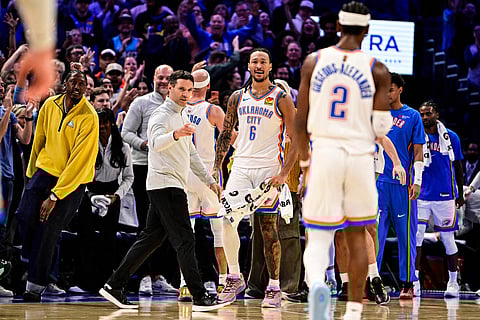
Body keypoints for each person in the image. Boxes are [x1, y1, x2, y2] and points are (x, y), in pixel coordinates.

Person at [99, 70, 228, 312]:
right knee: (185, 239)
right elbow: (156, 144)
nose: (186, 94)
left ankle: (114, 285)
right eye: (181, 89)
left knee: (150, 239)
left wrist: (209, 180)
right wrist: (176, 135)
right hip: (165, 184)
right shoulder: (161, 115)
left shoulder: (183, 115)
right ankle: (199, 296)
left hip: (169, 184)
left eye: (189, 90)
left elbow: (191, 154)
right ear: (170, 88)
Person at [294, 2, 393, 319]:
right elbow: (381, 127)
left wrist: (306, 163)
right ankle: (353, 309)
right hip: (360, 157)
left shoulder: (313, 61)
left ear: (336, 26)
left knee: (319, 235)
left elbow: (300, 120)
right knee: (357, 234)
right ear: (367, 30)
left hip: (324, 152)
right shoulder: (378, 68)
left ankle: (317, 288)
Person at [212, 47, 297, 308]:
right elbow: (226, 134)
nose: (259, 65)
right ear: (248, 67)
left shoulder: (281, 98)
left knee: (268, 229)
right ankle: (235, 276)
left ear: (270, 67)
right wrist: (216, 166)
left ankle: (273, 287)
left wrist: (284, 173)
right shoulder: (237, 97)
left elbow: (296, 139)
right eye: (254, 62)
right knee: (226, 219)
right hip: (240, 166)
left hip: (268, 168)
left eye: (263, 62)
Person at [16, 69, 99, 302]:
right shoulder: (50, 105)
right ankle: (30, 262)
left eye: (82, 84)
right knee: (24, 215)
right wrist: (31, 174)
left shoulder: (89, 116)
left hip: (71, 181)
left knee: (48, 229)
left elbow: (79, 162)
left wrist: (54, 196)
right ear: (64, 85)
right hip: (44, 171)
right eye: (74, 82)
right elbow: (38, 141)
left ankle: (35, 286)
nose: (78, 87)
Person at [121, 64, 178, 296]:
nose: (164, 81)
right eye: (160, 77)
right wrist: (145, 145)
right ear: (153, 78)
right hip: (144, 167)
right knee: (145, 225)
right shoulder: (141, 103)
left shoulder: (178, 106)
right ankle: (143, 276)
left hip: (169, 170)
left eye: (167, 78)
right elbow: (126, 132)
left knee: (164, 226)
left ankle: (158, 276)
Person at [179, 69, 228, 301]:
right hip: (209, 174)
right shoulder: (213, 110)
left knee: (186, 232)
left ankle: (183, 285)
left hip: (185, 174)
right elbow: (232, 136)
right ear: (209, 87)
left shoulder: (178, 108)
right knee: (219, 231)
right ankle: (223, 282)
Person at [376, 72, 425, 300]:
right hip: (377, 181)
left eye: (390, 90)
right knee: (375, 235)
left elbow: (418, 152)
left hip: (402, 184)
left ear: (400, 90)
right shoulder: (375, 114)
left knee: (406, 234)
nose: (386, 94)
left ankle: (407, 282)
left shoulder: (412, 116)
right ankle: (372, 281)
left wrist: (417, 180)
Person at [74, 107, 133, 292]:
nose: (102, 127)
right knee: (86, 236)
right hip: (89, 190)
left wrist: (117, 195)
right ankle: (83, 282)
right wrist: (89, 195)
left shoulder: (123, 147)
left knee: (109, 239)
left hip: (112, 192)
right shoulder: (86, 144)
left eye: (105, 123)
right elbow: (78, 173)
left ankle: (106, 282)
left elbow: (129, 177)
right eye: (98, 123)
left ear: (112, 124)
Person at [414, 101, 464, 298]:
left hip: (445, 196)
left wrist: (459, 192)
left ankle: (453, 283)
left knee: (448, 239)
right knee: (416, 238)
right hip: (422, 196)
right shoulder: (416, 135)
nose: (424, 117)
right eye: (422, 114)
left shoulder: (451, 137)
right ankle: (414, 282)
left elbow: (458, 166)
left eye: (428, 114)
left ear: (436, 114)